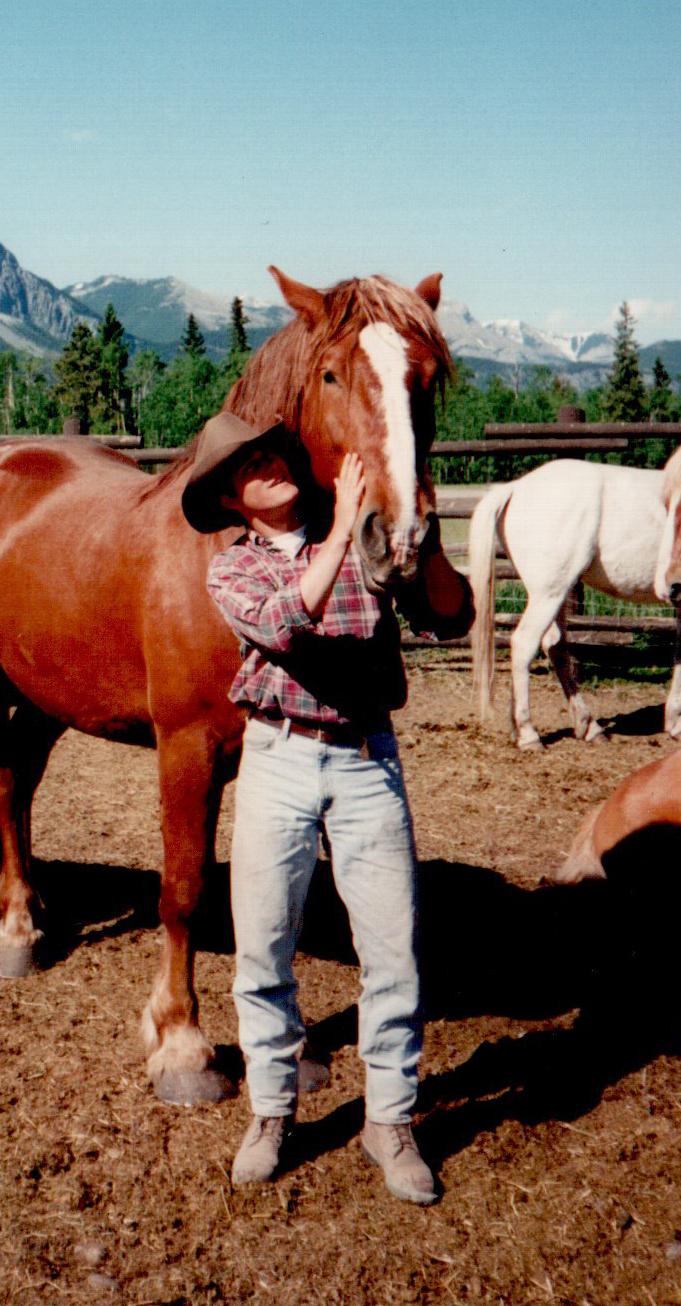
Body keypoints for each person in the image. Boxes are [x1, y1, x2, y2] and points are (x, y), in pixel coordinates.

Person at [182, 410, 472, 1203]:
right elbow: (285, 620)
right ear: (230, 499)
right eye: (247, 467)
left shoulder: (368, 536)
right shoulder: (232, 569)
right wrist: (343, 525)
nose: (268, 465)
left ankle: (390, 1118)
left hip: (365, 756)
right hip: (274, 758)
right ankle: (272, 1109)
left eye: (272, 452)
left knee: (391, 951)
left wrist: (424, 537)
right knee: (263, 947)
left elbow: (451, 617)